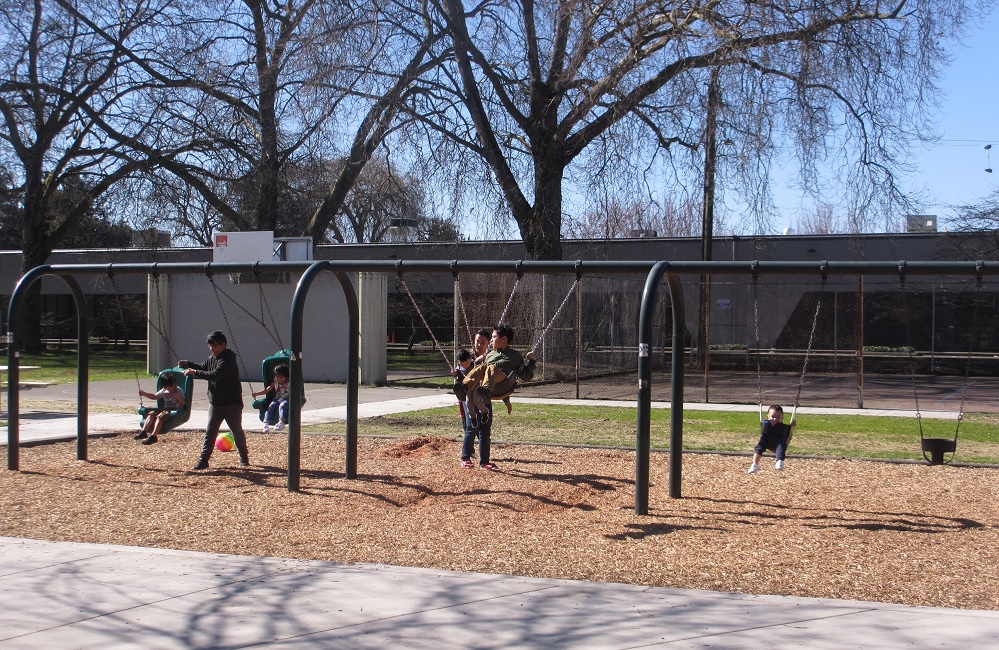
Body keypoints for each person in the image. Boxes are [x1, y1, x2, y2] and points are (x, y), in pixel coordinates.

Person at [178, 330, 249, 470]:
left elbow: (216, 375)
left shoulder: (227, 359)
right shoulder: (212, 358)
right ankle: (203, 460)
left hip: (231, 403)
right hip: (215, 403)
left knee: (236, 431)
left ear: (223, 344)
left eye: (214, 345)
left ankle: (243, 456)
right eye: (210, 346)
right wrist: (188, 364)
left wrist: (195, 372)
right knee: (210, 432)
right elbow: (204, 366)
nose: (212, 348)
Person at [463, 324, 536, 420]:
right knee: (482, 367)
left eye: (494, 337)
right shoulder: (490, 355)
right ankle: (464, 386)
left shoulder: (515, 356)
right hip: (492, 388)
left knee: (491, 367)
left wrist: (532, 361)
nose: (491, 340)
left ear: (504, 339)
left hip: (504, 385)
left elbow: (526, 376)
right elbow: (481, 373)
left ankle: (486, 390)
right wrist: (477, 362)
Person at [459, 329, 495, 469]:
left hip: (484, 397)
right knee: (472, 427)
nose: (479, 345)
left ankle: (484, 461)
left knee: (485, 429)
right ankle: (465, 457)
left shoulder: (492, 358)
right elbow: (463, 373)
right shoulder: (468, 357)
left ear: (488, 343)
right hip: (470, 397)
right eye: (477, 342)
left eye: (482, 342)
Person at [134, 372, 186, 446]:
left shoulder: (179, 391)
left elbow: (184, 403)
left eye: (175, 385)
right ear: (165, 387)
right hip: (165, 409)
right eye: (171, 386)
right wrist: (144, 393)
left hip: (173, 411)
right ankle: (143, 432)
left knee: (160, 416)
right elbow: (154, 396)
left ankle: (153, 436)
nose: (174, 387)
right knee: (151, 414)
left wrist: (178, 398)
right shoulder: (164, 391)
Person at [748, 404, 795, 473]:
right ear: (768, 417)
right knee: (759, 447)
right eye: (773, 416)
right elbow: (764, 423)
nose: (775, 419)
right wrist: (769, 423)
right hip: (766, 441)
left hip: (778, 443)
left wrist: (792, 426)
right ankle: (755, 464)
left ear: (782, 418)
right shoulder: (766, 423)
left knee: (781, 445)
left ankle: (779, 461)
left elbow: (788, 432)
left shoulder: (783, 427)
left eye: (778, 417)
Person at [251, 363, 290, 432]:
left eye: (281, 377)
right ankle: (266, 423)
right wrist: (257, 393)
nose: (279, 379)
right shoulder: (276, 382)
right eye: (277, 377)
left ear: (286, 376)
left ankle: (281, 422)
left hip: (286, 398)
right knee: (271, 406)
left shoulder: (290, 382)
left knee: (283, 405)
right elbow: (267, 390)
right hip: (278, 398)